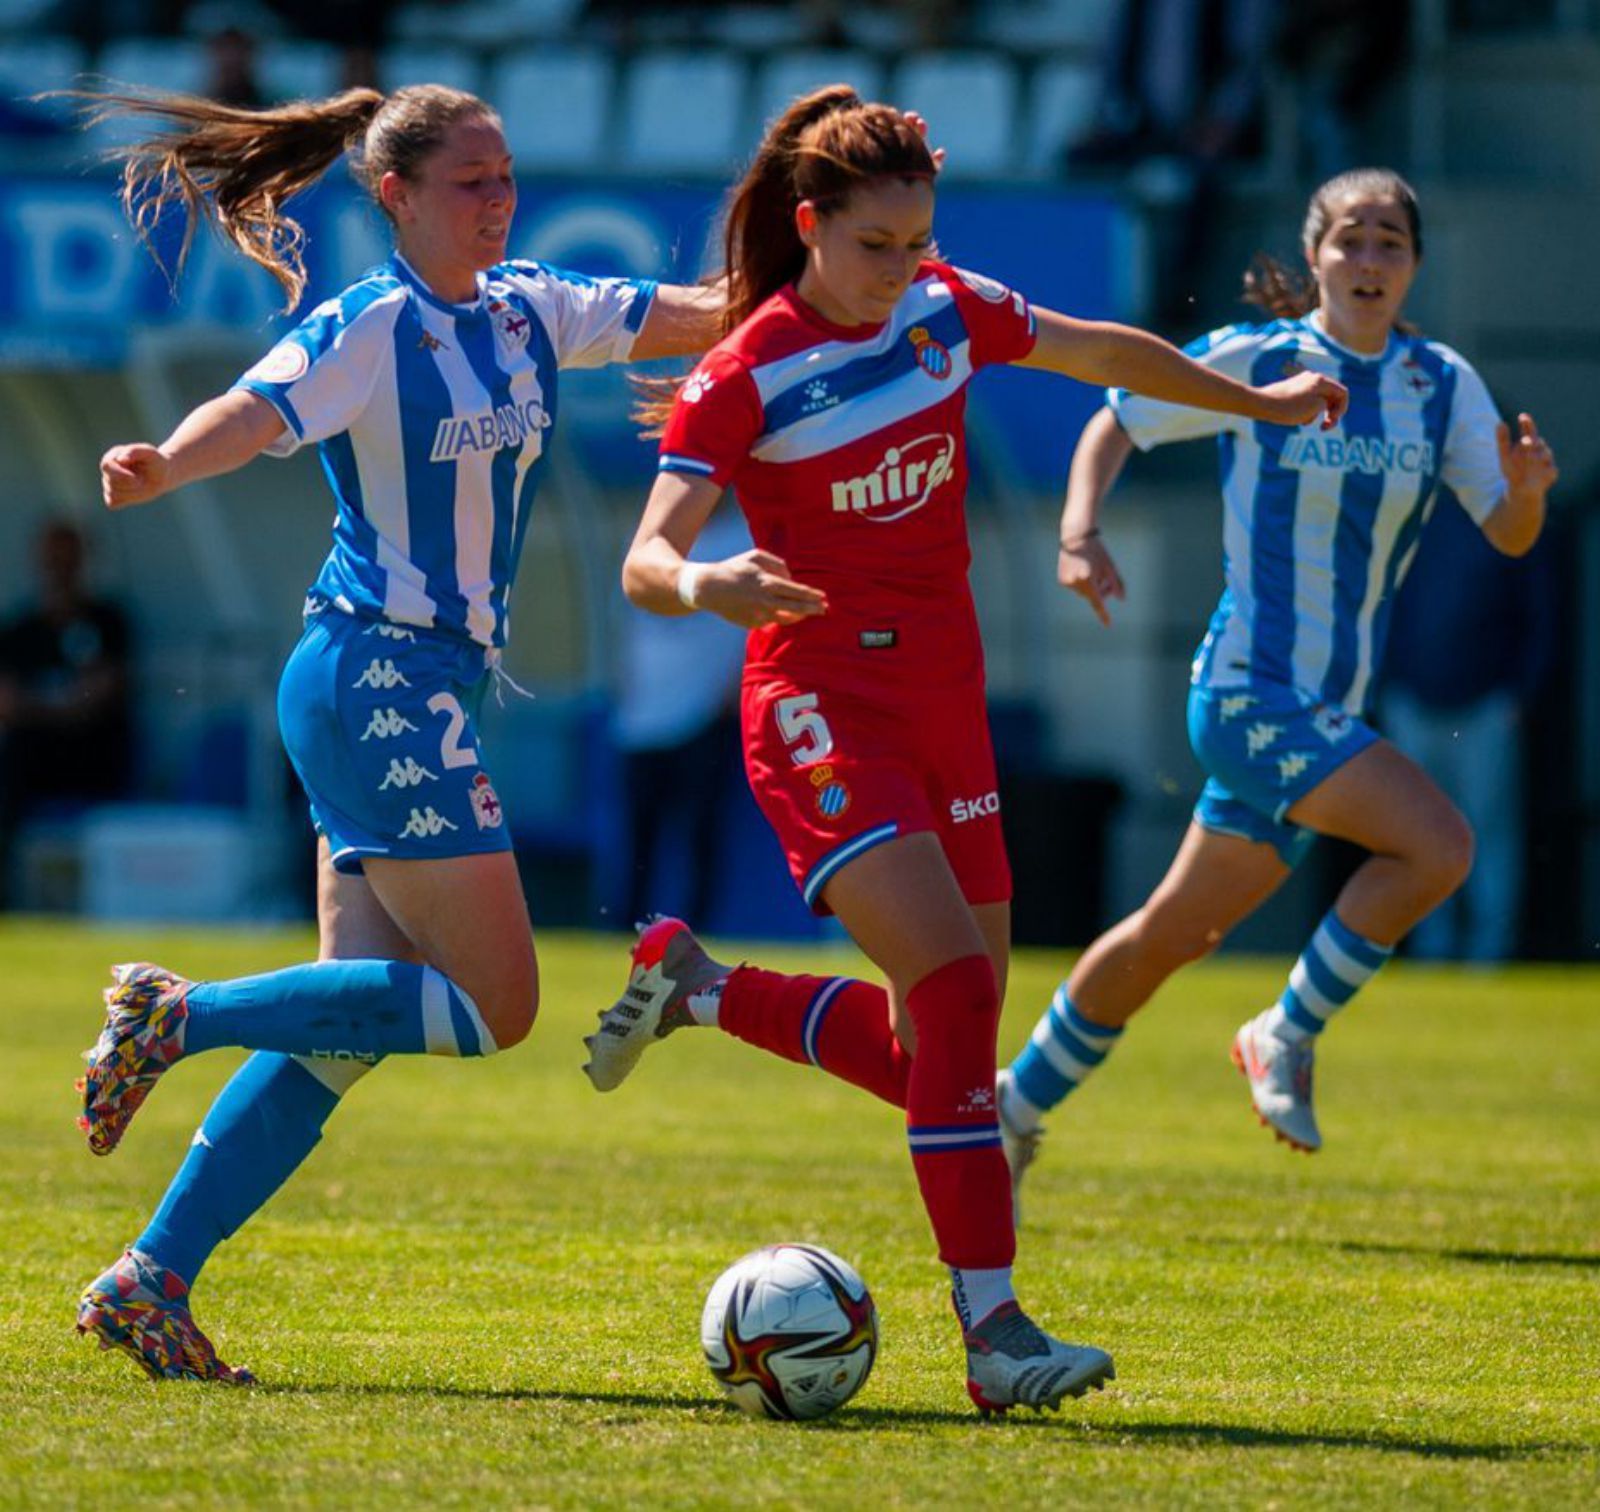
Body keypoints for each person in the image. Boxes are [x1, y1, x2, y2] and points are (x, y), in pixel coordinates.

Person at [581, 85, 1345, 1413]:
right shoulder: (744, 369)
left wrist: (1260, 404)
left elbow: (1103, 349)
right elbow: (646, 557)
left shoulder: (944, 305)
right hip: (817, 706)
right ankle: (994, 1334)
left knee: (953, 1035)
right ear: (811, 226)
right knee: (947, 995)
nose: (902, 270)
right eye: (877, 245)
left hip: (948, 708)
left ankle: (701, 987)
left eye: (919, 240)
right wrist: (708, 586)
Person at [69, 80, 724, 1384]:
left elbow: (700, 316)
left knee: (343, 1034)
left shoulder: (534, 305)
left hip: (414, 687)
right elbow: (255, 412)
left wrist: (834, 277)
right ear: (397, 196)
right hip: (377, 680)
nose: (498, 203)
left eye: (505, 178)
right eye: (470, 183)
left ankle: (151, 1278)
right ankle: (175, 1014)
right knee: (497, 1006)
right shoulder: (371, 325)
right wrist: (162, 465)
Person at [997, 168, 1558, 1196]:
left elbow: (1508, 536)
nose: (1370, 259)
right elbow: (1117, 417)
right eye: (1351, 238)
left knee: (1175, 933)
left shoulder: (1440, 385)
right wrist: (1079, 530)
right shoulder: (1264, 358)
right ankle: (1282, 1032)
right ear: (1314, 257)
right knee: (1437, 845)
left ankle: (1010, 1107)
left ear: (1415, 264)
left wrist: (1522, 497)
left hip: (1324, 713)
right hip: (1250, 693)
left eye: (1391, 241)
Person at [1381, 495, 1556, 962]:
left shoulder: (1510, 515)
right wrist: (1384, 687)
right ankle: (1432, 955)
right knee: (1417, 837)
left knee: (1487, 837)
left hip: (1486, 709)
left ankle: (1488, 958)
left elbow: (1540, 615)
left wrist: (1520, 696)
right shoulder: (1410, 510)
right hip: (1412, 705)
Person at [0, 519, 133, 905]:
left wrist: (43, 705)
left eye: (68, 558)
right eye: (52, 559)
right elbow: (7, 703)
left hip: (94, 759)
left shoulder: (108, 621)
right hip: (32, 763)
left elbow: (104, 693)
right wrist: (66, 705)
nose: (60, 569)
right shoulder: (19, 629)